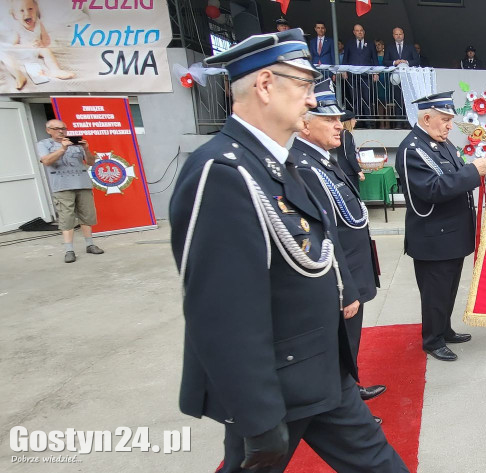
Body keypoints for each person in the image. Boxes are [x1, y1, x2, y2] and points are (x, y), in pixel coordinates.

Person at [168, 29, 407, 472]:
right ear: (263, 85)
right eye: (302, 85)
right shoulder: (223, 172)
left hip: (321, 373)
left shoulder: (281, 163)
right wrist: (257, 419)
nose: (312, 100)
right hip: (276, 386)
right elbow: (220, 314)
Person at [289, 77, 387, 424]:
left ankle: (348, 386)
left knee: (348, 343)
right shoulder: (303, 165)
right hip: (339, 278)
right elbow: (324, 235)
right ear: (304, 124)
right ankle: (343, 405)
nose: (338, 125)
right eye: (329, 119)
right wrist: (345, 288)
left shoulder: (324, 158)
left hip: (352, 268)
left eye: (338, 119)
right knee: (337, 344)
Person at [395, 92, 486, 362]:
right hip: (433, 239)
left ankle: (444, 329)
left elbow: (457, 174)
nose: (450, 126)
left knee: (448, 290)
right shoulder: (412, 149)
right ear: (427, 118)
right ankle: (432, 340)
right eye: (445, 119)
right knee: (435, 293)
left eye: (450, 120)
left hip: (451, 236)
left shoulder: (441, 143)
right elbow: (433, 189)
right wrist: (474, 171)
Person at [37, 120, 102, 263]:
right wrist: (62, 149)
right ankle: (69, 250)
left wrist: (86, 149)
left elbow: (91, 162)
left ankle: (90, 245)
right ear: (48, 130)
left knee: (87, 216)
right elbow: (47, 161)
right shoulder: (44, 144)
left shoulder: (76, 144)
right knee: (67, 219)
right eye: (57, 129)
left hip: (82, 184)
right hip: (62, 187)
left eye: (64, 128)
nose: (61, 131)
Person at [342, 24, 375, 118]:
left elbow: (374, 59)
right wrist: (344, 71)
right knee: (355, 98)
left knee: (367, 98)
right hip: (353, 75)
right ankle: (357, 120)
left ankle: (369, 122)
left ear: (364, 32)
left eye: (361, 30)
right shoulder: (349, 44)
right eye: (357, 31)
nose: (359, 32)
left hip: (366, 75)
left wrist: (376, 72)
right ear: (354, 32)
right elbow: (345, 58)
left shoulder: (370, 44)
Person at [337, 109, 364, 183]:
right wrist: (359, 171)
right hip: (348, 172)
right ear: (348, 121)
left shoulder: (341, 133)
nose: (355, 121)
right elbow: (349, 154)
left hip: (344, 169)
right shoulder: (346, 134)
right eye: (354, 119)